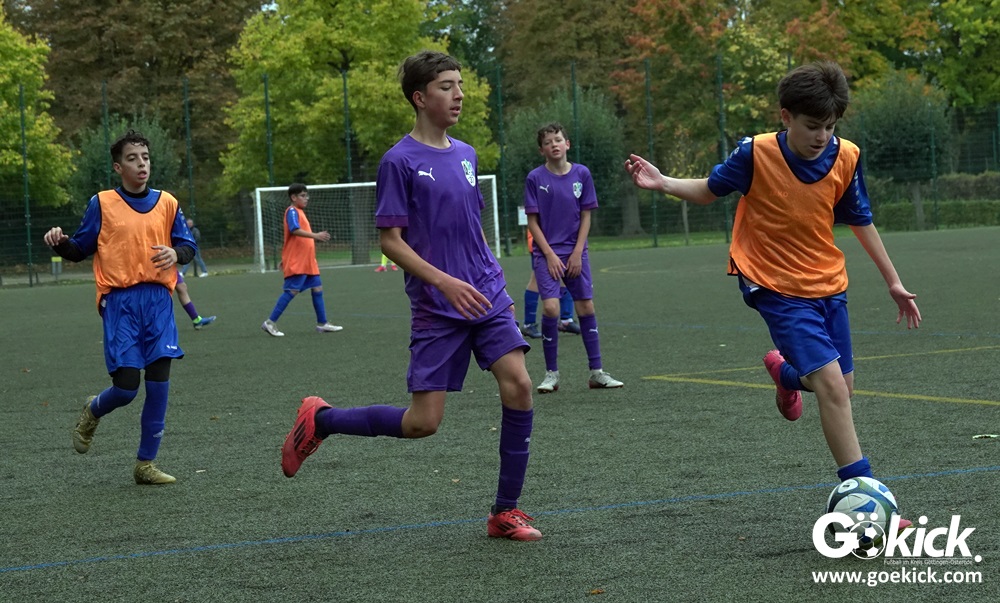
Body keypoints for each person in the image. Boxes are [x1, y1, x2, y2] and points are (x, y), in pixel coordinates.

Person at [624, 61, 921, 517]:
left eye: (829, 126)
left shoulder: (847, 156)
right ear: (786, 116)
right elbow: (709, 190)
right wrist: (662, 182)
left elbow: (860, 220)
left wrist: (894, 281)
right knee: (832, 388)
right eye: (812, 125)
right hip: (773, 283)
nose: (821, 136)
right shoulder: (755, 153)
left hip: (827, 282)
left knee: (841, 387)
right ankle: (867, 500)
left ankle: (785, 375)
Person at [281, 50, 542, 541]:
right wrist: (444, 281)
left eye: (460, 85)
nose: (459, 94)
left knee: (520, 385)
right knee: (423, 423)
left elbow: (469, 226)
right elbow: (391, 241)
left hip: (485, 293)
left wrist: (487, 276)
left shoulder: (467, 155)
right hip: (438, 305)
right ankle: (322, 419)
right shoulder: (398, 161)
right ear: (420, 98)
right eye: (447, 86)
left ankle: (505, 511)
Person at [43, 129, 196, 485]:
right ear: (118, 167)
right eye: (132, 158)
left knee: (158, 386)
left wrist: (176, 253)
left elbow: (188, 246)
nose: (141, 164)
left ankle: (145, 464)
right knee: (127, 388)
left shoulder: (168, 203)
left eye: (145, 157)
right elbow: (79, 249)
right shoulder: (102, 203)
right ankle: (93, 410)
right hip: (121, 304)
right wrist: (60, 243)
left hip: (159, 303)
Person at [524, 122, 623, 394]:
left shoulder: (582, 174)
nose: (553, 145)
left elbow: (586, 215)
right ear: (542, 150)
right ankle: (551, 374)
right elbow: (532, 222)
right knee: (551, 309)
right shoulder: (535, 178)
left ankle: (597, 372)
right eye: (547, 142)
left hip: (576, 253)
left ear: (567, 144)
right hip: (547, 254)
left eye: (558, 140)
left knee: (586, 308)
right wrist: (549, 255)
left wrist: (578, 252)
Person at [261, 183, 344, 336]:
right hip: (299, 262)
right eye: (303, 196)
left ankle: (322, 323)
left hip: (308, 262)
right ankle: (270, 322)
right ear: (293, 197)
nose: (306, 198)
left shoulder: (300, 211)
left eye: (307, 195)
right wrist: (315, 235)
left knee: (317, 288)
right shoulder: (292, 211)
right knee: (291, 291)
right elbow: (294, 230)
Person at [520, 230, 580, 339]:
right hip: (543, 241)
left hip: (559, 239)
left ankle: (566, 320)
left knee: (564, 273)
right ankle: (529, 324)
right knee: (536, 278)